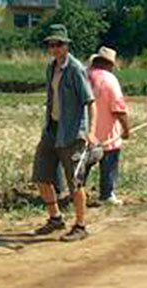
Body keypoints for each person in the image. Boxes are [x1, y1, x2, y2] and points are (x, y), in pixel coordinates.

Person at [31, 24, 97, 242]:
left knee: (75, 182)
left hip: (72, 133)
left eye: (58, 44)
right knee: (41, 175)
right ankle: (55, 218)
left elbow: (90, 102)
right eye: (51, 45)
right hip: (52, 129)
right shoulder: (51, 68)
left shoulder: (76, 69)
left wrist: (91, 132)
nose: (55, 48)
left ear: (66, 46)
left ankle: (80, 225)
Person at [87, 46, 130, 206]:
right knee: (109, 165)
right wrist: (126, 129)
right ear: (110, 64)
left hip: (86, 133)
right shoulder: (110, 79)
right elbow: (119, 109)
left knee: (83, 165)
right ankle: (106, 194)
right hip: (107, 136)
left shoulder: (85, 75)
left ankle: (76, 193)